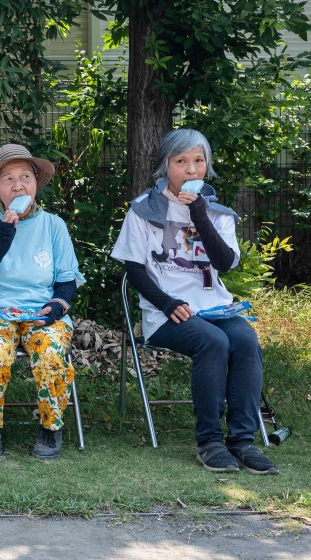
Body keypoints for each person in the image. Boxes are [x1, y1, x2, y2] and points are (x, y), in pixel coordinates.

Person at [111, 129, 278, 475]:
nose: (191, 170)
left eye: (198, 161)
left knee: (245, 340)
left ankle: (243, 441)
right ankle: (209, 441)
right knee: (213, 342)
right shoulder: (143, 210)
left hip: (216, 307)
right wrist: (167, 303)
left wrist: (200, 215)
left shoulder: (218, 212)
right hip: (165, 314)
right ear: (164, 167)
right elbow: (134, 270)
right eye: (181, 161)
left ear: (207, 166)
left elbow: (224, 263)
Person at [0, 144, 84, 461]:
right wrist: (5, 234)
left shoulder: (53, 225)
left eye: (25, 177)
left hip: (40, 312)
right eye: (8, 179)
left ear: (36, 182)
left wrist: (57, 307)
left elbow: (67, 278)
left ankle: (51, 428)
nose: (18, 186)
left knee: (51, 349)